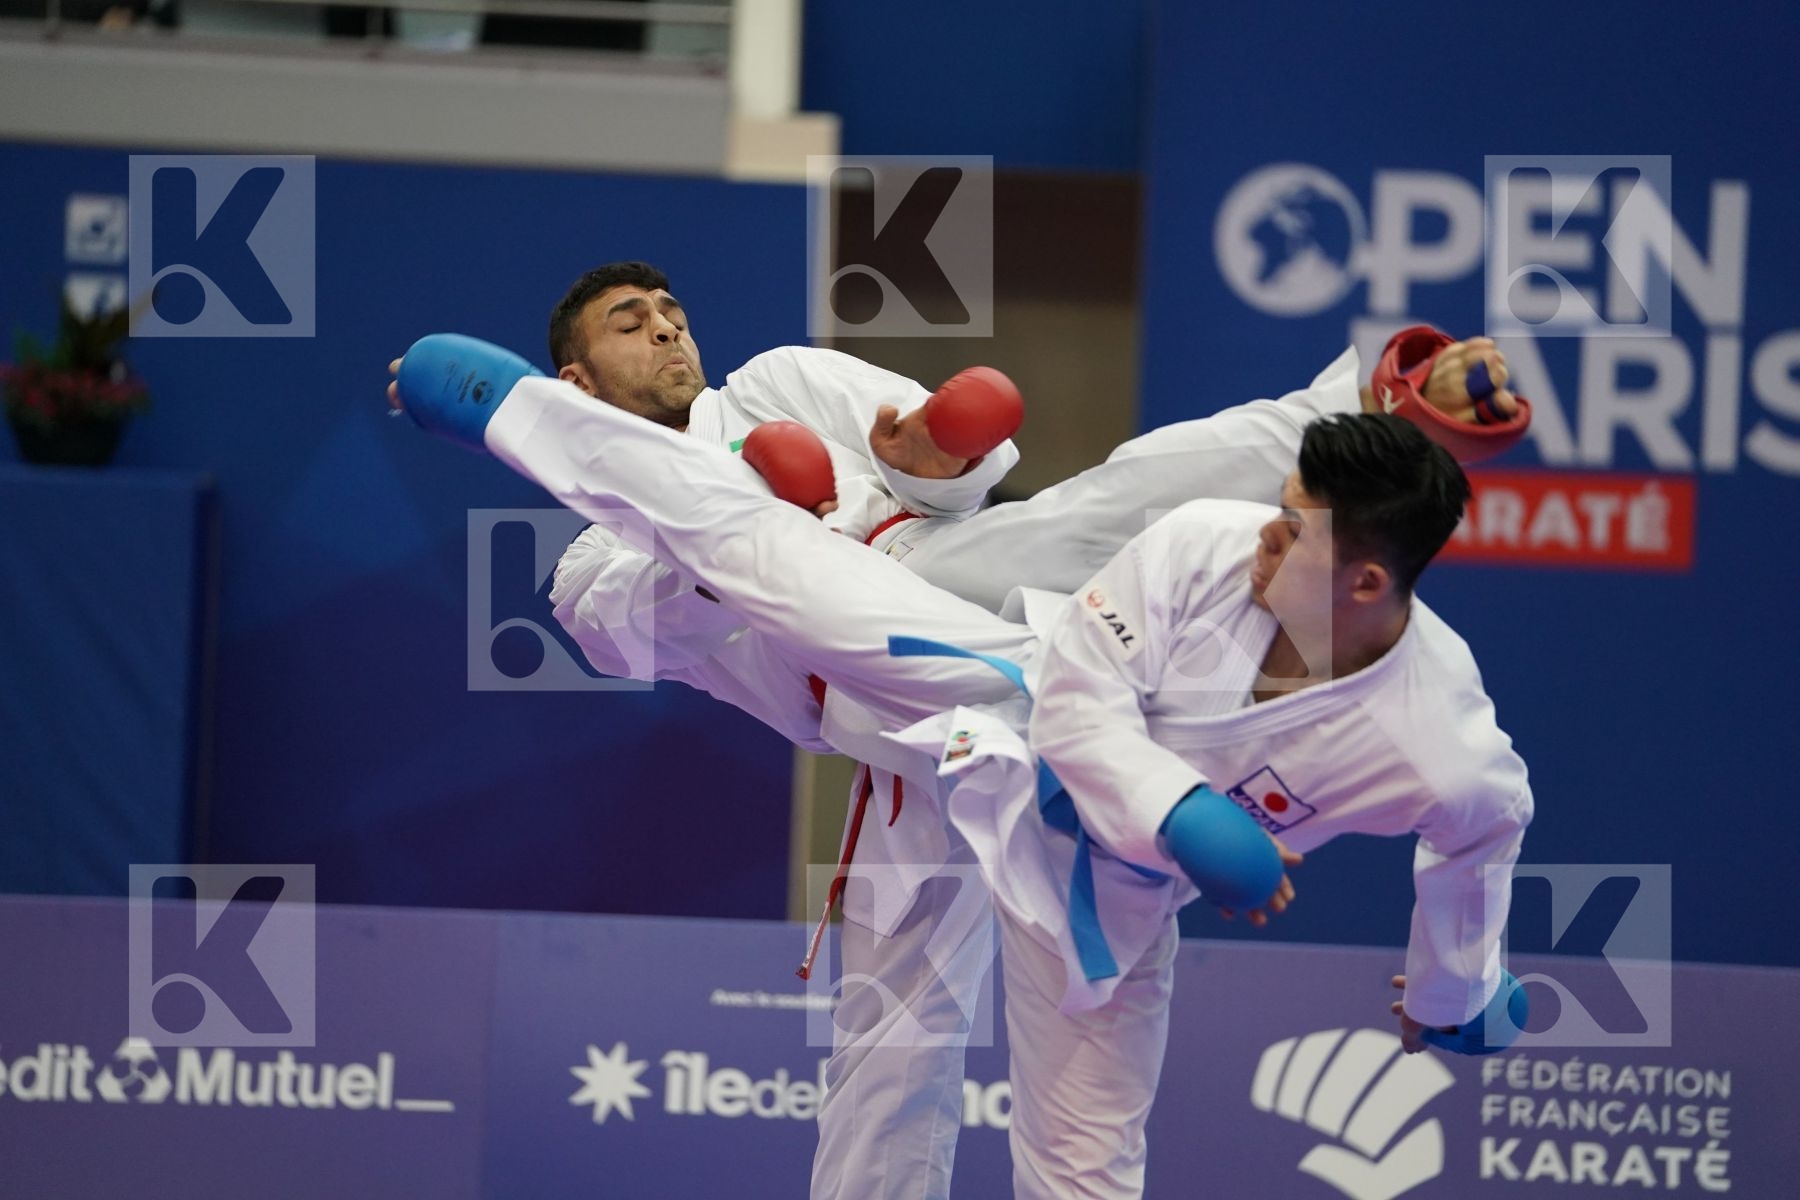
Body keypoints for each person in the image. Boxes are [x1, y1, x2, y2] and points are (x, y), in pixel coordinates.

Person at [387, 340, 1532, 1200]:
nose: (1257, 538)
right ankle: (511, 411)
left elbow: (1476, 848)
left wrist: (1455, 992)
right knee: (762, 557)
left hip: (1097, 885)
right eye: (629, 325)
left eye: (667, 312)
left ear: (1374, 584)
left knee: (1085, 1163)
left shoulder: (1441, 741)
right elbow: (1074, 694)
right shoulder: (1216, 546)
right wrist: (1178, 807)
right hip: (965, 685)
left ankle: (1385, 412)